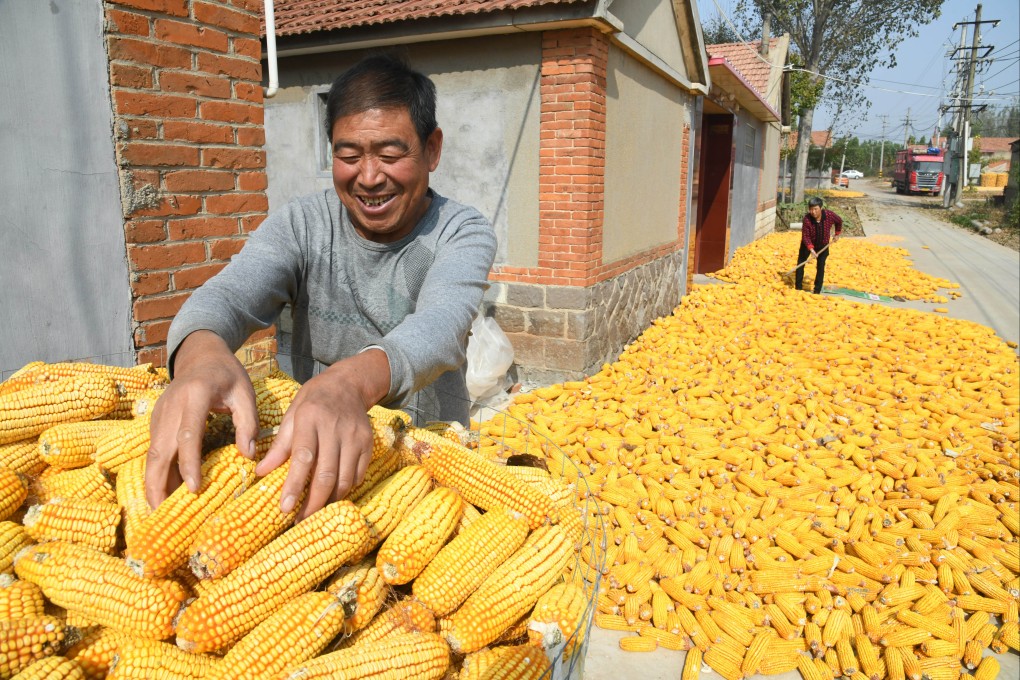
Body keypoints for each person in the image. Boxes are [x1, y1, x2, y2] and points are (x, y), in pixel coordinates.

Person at [145, 54, 498, 521]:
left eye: (391, 155)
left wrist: (348, 384)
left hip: (426, 468)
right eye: (349, 156)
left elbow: (440, 327)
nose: (369, 177)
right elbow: (228, 296)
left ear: (432, 150)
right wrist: (199, 356)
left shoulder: (461, 231)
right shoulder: (302, 225)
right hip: (313, 458)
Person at [796, 196, 842, 294]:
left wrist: (837, 234)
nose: (813, 212)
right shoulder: (807, 219)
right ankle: (798, 288)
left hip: (823, 245)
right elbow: (805, 236)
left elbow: (839, 221)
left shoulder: (829, 215)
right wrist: (811, 250)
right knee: (801, 264)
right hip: (808, 245)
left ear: (821, 208)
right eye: (811, 209)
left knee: (820, 267)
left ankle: (817, 290)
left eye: (815, 209)